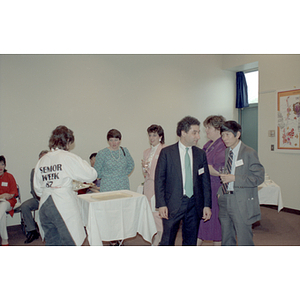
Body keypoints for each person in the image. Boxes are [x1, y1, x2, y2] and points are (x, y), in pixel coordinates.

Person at [34, 125, 97, 246]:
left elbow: (38, 189)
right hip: (61, 204)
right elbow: (91, 175)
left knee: (52, 242)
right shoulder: (68, 157)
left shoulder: (42, 160)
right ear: (67, 141)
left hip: (44, 206)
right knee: (69, 242)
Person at [155, 116, 212, 246]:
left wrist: (207, 205)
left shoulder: (200, 154)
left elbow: (205, 182)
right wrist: (161, 204)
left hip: (194, 204)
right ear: (183, 133)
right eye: (194, 132)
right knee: (167, 240)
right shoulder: (167, 153)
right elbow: (159, 180)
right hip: (172, 204)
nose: (198, 136)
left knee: (191, 241)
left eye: (198, 132)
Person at [217, 121, 264, 246]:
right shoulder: (228, 151)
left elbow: (259, 177)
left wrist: (235, 178)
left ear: (237, 134)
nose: (224, 139)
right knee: (226, 237)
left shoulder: (249, 152)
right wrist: (220, 192)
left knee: (244, 239)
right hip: (225, 198)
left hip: (241, 201)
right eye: (222, 135)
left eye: (227, 135)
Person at [197, 115, 226, 246]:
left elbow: (219, 170)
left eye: (208, 128)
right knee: (202, 222)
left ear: (217, 128)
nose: (206, 131)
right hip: (205, 186)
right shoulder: (208, 144)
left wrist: (202, 166)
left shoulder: (222, 145)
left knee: (214, 224)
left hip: (215, 188)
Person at [142, 124, 166, 246]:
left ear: (160, 136)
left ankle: (160, 238)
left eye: (154, 135)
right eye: (150, 135)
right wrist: (144, 169)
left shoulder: (165, 149)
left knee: (158, 213)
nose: (152, 138)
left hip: (159, 185)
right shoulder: (146, 152)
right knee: (150, 213)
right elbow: (146, 172)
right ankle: (156, 235)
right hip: (148, 186)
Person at [21, 150, 48, 244]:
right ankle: (32, 231)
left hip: (50, 199)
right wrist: (40, 199)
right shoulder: (34, 171)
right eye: (42, 158)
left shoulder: (52, 171)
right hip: (38, 199)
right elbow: (33, 189)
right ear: (39, 160)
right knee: (24, 206)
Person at [0, 155, 18, 246]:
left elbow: (14, 192)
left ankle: (4, 240)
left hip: (9, 202)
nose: (0, 167)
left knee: (2, 206)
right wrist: (1, 196)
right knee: (1, 214)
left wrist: (9, 195)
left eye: (2, 164)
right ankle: (4, 240)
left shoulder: (9, 176)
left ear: (5, 165)